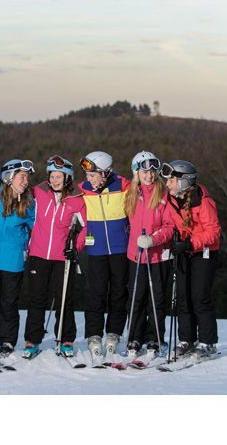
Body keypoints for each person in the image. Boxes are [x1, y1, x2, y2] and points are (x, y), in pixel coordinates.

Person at [22, 156, 87, 359]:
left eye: (60, 176)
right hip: (39, 254)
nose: (55, 180)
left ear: (68, 177)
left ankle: (66, 339)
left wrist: (75, 247)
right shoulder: (39, 192)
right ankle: (32, 340)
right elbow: (20, 202)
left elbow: (86, 228)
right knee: (37, 298)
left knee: (64, 299)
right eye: (52, 175)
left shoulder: (77, 198)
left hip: (62, 257)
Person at [161, 160, 222, 358]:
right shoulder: (171, 199)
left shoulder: (202, 200)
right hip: (184, 252)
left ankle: (208, 342)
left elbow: (214, 232)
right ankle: (187, 338)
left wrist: (189, 244)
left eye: (171, 180)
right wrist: (175, 241)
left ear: (184, 181)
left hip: (204, 252)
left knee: (199, 297)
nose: (167, 184)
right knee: (183, 297)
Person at [0, 159, 36, 359]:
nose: (26, 181)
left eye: (27, 177)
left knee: (9, 303)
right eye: (22, 177)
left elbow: (38, 227)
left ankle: (7, 340)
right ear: (8, 178)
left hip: (13, 260)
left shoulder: (28, 203)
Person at [78, 151, 130, 358]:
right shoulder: (83, 190)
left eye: (92, 175)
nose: (88, 179)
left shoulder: (124, 187)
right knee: (96, 292)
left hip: (121, 248)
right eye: (87, 175)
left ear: (105, 173)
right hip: (96, 248)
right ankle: (93, 333)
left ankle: (115, 332)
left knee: (118, 292)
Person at [124, 151, 176, 357]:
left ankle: (154, 337)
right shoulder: (131, 194)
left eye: (153, 171)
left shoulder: (163, 194)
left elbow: (170, 226)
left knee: (156, 298)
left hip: (157, 256)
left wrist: (154, 239)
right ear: (137, 172)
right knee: (136, 298)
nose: (150, 175)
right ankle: (135, 337)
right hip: (135, 256)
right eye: (145, 171)